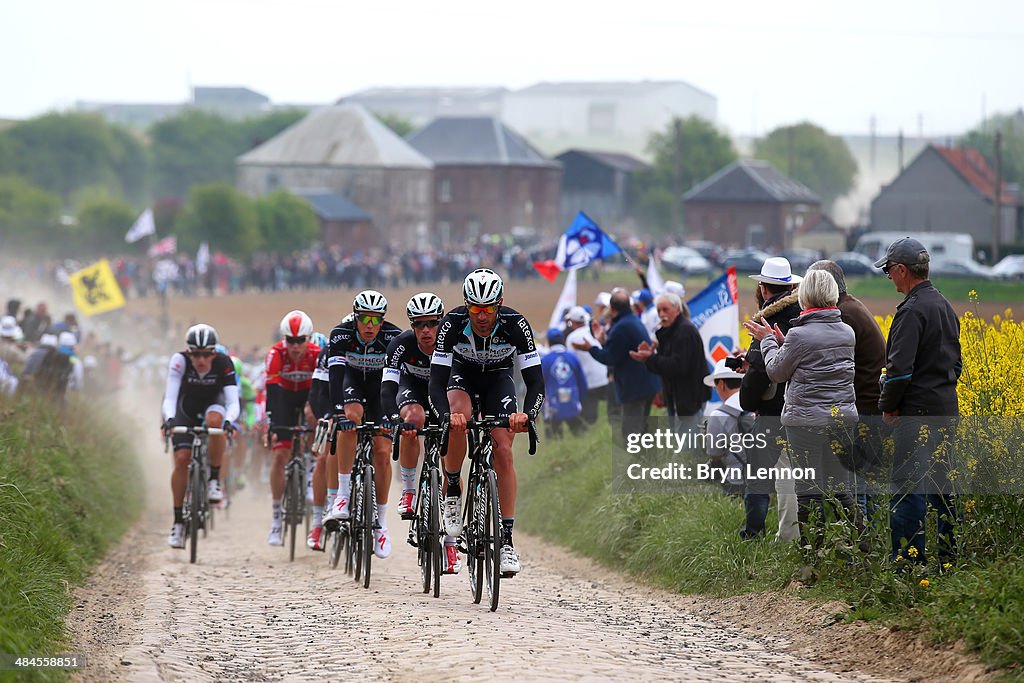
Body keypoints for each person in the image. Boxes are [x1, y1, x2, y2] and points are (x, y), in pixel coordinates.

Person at [428, 269, 545, 575]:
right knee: (459, 418)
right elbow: (436, 383)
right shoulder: (451, 323)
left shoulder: (516, 324)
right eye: (475, 309)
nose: (481, 316)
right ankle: (452, 485)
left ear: (500, 304)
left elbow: (536, 383)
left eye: (488, 309)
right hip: (462, 376)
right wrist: (444, 416)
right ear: (466, 305)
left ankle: (506, 540)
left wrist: (527, 416)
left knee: (504, 449)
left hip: (498, 379)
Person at [744, 269, 864, 553]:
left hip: (806, 423)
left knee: (809, 491)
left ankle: (812, 554)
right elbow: (818, 355)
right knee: (840, 488)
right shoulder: (846, 331)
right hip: (841, 418)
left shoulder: (799, 334)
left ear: (806, 295)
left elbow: (775, 371)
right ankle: (860, 545)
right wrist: (785, 344)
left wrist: (768, 341)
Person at [874, 237, 962, 564]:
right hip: (946, 411)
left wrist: (888, 405)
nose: (887, 276)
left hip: (916, 417)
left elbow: (898, 373)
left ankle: (908, 564)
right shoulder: (944, 306)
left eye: (888, 270)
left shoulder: (910, 312)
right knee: (943, 491)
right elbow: (956, 365)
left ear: (902, 269)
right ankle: (948, 560)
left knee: (908, 490)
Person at [324, 291, 402, 559]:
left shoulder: (394, 337)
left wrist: (395, 415)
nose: (370, 325)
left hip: (381, 391)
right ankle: (343, 495)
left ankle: (381, 526)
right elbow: (334, 377)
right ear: (356, 318)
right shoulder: (340, 335)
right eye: (365, 318)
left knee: (382, 451)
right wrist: (337, 413)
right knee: (351, 418)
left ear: (383, 321)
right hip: (351, 383)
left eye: (376, 319)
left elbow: (397, 382)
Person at [380, 293, 456, 571]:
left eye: (432, 324)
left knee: (452, 469)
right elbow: (388, 389)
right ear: (412, 326)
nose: (426, 330)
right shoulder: (400, 345)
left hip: (444, 396)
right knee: (414, 420)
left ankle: (450, 543)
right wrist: (393, 419)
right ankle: (410, 490)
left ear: (441, 323)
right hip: (412, 393)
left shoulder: (453, 342)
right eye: (419, 324)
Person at [807, 260, 887, 518]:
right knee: (867, 485)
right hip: (872, 406)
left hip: (862, 408)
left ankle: (861, 545)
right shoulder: (850, 306)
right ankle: (872, 541)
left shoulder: (843, 315)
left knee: (856, 487)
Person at [738, 257, 802, 541]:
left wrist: (746, 401)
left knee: (758, 477)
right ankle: (796, 535)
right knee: (794, 475)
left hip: (771, 410)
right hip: (800, 408)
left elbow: (761, 371)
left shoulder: (766, 321)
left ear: (764, 289)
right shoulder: (803, 316)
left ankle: (753, 534)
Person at [160, 324, 239, 549]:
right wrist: (170, 419)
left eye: (206, 354)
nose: (201, 359)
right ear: (188, 352)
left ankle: (214, 479)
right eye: (196, 354)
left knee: (216, 423)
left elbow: (233, 402)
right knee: (182, 459)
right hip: (185, 408)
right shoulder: (179, 361)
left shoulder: (224, 363)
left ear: (214, 353)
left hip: (213, 406)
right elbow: (170, 397)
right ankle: (177, 522)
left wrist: (229, 422)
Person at [263, 310, 320, 546]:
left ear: (309, 339)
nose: (295, 346)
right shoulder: (276, 353)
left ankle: (310, 470)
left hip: (308, 395)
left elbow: (321, 390)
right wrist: (273, 424)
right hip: (284, 399)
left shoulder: (317, 354)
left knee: (314, 418)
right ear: (284, 339)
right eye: (290, 341)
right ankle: (277, 517)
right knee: (280, 456)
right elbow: (272, 392)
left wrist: (315, 412)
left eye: (300, 341)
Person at [573, 288, 660, 443]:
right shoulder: (632, 320)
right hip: (647, 383)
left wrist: (591, 348)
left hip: (634, 386)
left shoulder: (621, 328)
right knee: (643, 428)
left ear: (612, 309)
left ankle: (637, 463)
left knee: (631, 432)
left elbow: (610, 358)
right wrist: (604, 341)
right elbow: (621, 350)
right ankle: (647, 460)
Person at [629, 292, 709, 432]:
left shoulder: (684, 331)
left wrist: (650, 358)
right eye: (659, 310)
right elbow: (667, 363)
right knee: (680, 441)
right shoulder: (669, 332)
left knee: (687, 446)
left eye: (665, 309)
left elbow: (678, 366)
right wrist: (652, 354)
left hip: (690, 396)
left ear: (677, 310)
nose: (661, 314)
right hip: (677, 395)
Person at [703, 359, 749, 497]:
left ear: (722, 384)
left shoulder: (719, 414)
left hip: (736, 481)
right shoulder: (757, 406)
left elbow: (714, 454)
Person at [563, 306, 610, 426]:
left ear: (572, 322)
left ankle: (588, 428)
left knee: (589, 416)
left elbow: (571, 362)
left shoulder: (571, 338)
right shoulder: (593, 331)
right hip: (603, 377)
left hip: (589, 382)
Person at [540, 327, 587, 438]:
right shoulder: (573, 358)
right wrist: (581, 400)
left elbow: (539, 386)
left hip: (553, 406)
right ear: (563, 340)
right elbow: (582, 382)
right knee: (580, 435)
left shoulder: (545, 361)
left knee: (554, 439)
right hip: (573, 404)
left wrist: (540, 409)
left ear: (549, 342)